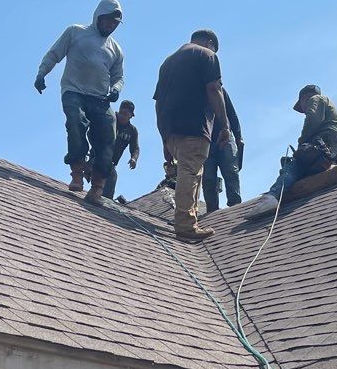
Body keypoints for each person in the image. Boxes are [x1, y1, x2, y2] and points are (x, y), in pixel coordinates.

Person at [35, 0, 124, 204]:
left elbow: (118, 76)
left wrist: (116, 89)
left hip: (100, 98)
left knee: (107, 136)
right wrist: (42, 73)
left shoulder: (116, 49)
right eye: (108, 21)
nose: (111, 26)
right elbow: (54, 53)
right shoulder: (76, 32)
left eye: (115, 24)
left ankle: (97, 186)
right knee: (76, 121)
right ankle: (77, 171)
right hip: (74, 91)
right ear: (98, 17)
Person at [153, 29, 232, 240]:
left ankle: (190, 218)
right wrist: (225, 125)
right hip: (194, 126)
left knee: (187, 171)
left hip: (171, 129)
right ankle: (186, 225)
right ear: (210, 42)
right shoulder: (207, 55)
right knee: (191, 172)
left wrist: (164, 139)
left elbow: (158, 103)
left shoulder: (167, 63)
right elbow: (214, 89)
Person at [249, 84, 337, 216]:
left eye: (302, 106)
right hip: (334, 147)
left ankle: (272, 196)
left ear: (304, 97)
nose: (303, 110)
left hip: (324, 141)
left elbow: (313, 119)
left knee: (293, 166)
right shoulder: (331, 110)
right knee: (303, 169)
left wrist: (301, 143)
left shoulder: (316, 98)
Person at [202, 87, 243, 213]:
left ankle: (236, 206)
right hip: (205, 139)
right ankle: (212, 211)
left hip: (225, 137)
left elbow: (231, 113)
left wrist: (238, 136)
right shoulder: (193, 91)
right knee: (208, 178)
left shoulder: (219, 90)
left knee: (231, 172)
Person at [101, 100, 140, 201]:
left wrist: (134, 158)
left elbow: (135, 148)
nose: (122, 116)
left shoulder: (132, 131)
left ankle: (104, 204)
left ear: (131, 116)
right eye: (121, 113)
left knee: (111, 179)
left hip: (111, 164)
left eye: (126, 114)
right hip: (98, 156)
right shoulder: (110, 119)